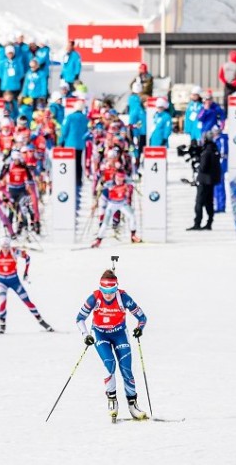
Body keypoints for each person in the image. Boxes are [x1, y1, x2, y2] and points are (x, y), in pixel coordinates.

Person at [76, 269, 148, 421]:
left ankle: (133, 405)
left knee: (126, 369)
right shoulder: (94, 298)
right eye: (104, 291)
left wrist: (139, 328)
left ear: (116, 288)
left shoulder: (123, 297)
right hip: (100, 334)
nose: (107, 295)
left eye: (111, 291)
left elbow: (142, 317)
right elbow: (80, 318)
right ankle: (112, 400)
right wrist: (85, 335)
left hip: (119, 334)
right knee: (110, 364)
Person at [0, 237, 53, 335]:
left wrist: (25, 273)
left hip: (14, 281)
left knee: (27, 301)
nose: (5, 249)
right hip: (2, 282)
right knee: (2, 302)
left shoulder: (14, 252)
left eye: (7, 246)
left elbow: (27, 258)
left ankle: (41, 321)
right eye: (3, 246)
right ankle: (2, 325)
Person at [90, 172, 142, 248]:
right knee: (105, 222)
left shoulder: (127, 181)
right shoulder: (110, 183)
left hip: (122, 203)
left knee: (132, 216)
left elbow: (136, 181)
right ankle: (98, 240)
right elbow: (100, 189)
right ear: (115, 178)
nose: (119, 181)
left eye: (121, 179)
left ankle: (133, 236)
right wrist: (95, 201)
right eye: (118, 179)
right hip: (112, 204)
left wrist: (139, 177)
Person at [188, 132, 220, 230]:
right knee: (209, 202)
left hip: (204, 180)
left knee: (199, 202)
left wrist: (198, 164)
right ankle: (209, 222)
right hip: (211, 180)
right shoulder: (214, 149)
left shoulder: (207, 151)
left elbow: (204, 166)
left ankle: (197, 223)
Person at [59, 100, 88, 187]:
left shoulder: (70, 117)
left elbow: (64, 130)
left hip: (69, 143)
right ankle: (78, 180)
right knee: (78, 162)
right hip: (80, 144)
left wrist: (61, 141)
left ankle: (70, 179)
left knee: (70, 163)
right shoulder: (85, 118)